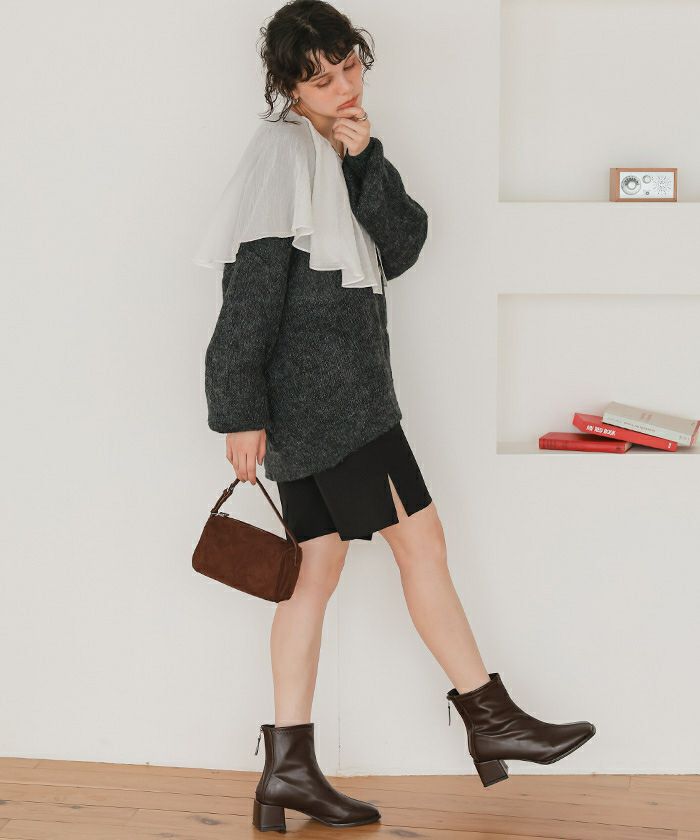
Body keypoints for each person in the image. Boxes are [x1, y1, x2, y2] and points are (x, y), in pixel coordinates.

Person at [193, 0, 596, 830]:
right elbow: (248, 297)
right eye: (321, 80)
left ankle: (288, 771)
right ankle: (490, 716)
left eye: (349, 67)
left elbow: (403, 247)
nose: (344, 87)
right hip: (331, 404)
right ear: (289, 88)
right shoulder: (281, 155)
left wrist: (365, 158)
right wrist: (238, 410)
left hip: (332, 399)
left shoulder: (341, 148)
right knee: (423, 543)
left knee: (313, 573)